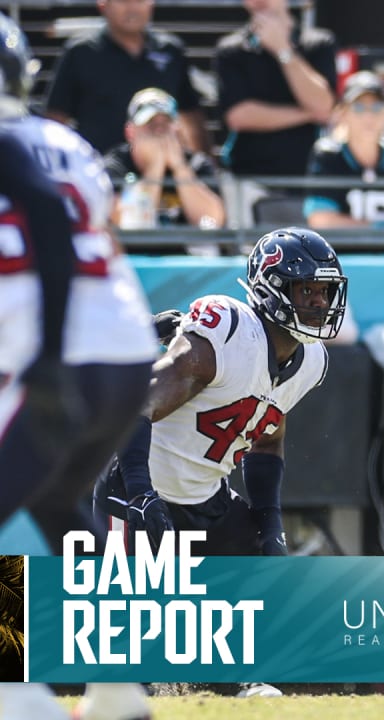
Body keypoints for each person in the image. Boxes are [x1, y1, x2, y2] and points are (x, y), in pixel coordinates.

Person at [0, 14, 155, 720]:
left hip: (58, 349)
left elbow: (47, 229)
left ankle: (16, 692)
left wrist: (50, 354)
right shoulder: (67, 142)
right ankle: (120, 690)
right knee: (61, 509)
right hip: (124, 350)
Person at [93, 227, 347, 560]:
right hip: (138, 492)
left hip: (208, 504)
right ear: (271, 290)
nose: (320, 302)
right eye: (307, 289)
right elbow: (138, 405)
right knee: (134, 609)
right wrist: (141, 495)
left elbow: (268, 439)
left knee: (265, 598)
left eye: (326, 291)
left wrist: (271, 527)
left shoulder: (311, 361)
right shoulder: (230, 332)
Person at [44, 0, 206, 155]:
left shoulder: (171, 51)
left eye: (139, 0)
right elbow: (56, 118)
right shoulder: (80, 52)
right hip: (98, 171)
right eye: (123, 0)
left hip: (159, 174)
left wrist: (205, 169)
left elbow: (191, 117)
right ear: (102, 4)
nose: (132, 8)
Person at [214, 0, 336, 177]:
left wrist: (282, 50)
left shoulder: (319, 43)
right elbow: (240, 117)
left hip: (309, 177)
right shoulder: (230, 50)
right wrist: (309, 113)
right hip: (248, 178)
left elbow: (323, 104)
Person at [303, 71, 384, 229]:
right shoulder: (328, 156)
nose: (368, 116)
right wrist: (380, 227)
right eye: (359, 107)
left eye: (377, 107)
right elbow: (320, 220)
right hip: (342, 253)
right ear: (343, 113)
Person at [103, 87, 225, 229]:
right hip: (133, 250)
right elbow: (131, 222)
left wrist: (179, 168)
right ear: (130, 132)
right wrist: (155, 167)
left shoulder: (196, 163)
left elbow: (212, 220)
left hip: (185, 249)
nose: (160, 132)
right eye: (151, 125)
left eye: (165, 124)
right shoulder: (114, 166)